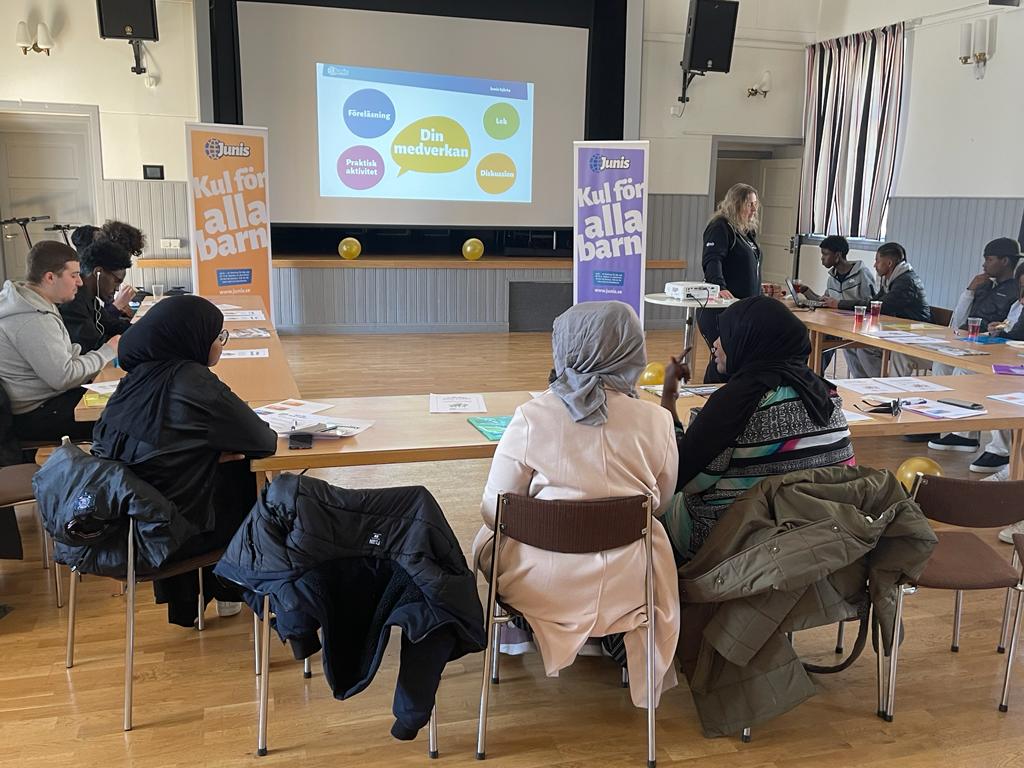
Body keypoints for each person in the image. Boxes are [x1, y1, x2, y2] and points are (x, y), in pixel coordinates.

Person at [471, 301, 680, 709]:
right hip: (630, 584)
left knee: (488, 537)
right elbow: (661, 503)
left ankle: (521, 629)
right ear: (632, 351)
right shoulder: (656, 421)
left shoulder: (532, 417)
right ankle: (609, 637)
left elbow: (495, 510)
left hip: (540, 584)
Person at [91, 295, 278, 626]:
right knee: (249, 480)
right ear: (194, 339)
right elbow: (264, 441)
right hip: (173, 535)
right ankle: (235, 590)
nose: (220, 344)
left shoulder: (134, 380)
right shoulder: (194, 382)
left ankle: (189, 604)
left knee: (219, 470)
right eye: (218, 336)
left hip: (127, 527)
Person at [659, 295, 855, 561]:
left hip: (741, 547)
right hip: (819, 539)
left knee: (656, 502)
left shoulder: (738, 402)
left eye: (727, 334)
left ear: (749, 340)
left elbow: (682, 476)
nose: (716, 343)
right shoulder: (824, 394)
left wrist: (668, 400)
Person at [0, 241, 118, 443]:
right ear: (50, 278)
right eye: (73, 275)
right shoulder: (33, 319)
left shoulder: (35, 303)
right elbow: (64, 377)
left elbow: (64, 357)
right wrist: (108, 351)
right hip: (38, 413)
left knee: (123, 401)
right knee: (123, 417)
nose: (80, 282)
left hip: (48, 401)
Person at [926, 238, 1023, 454]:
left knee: (963, 371)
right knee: (941, 363)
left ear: (1005, 261)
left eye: (989, 259)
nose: (984, 264)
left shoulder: (1015, 291)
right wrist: (969, 291)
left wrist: (996, 331)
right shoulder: (984, 285)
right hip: (971, 343)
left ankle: (965, 434)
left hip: (996, 350)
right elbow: (958, 322)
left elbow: (1012, 329)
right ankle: (939, 423)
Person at [699, 183, 763, 383]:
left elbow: (748, 267)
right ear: (736, 204)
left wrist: (760, 287)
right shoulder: (720, 227)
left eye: (755, 204)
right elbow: (712, 259)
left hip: (745, 308)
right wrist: (719, 286)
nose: (754, 209)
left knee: (739, 359)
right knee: (722, 358)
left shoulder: (746, 232)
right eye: (749, 204)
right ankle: (711, 396)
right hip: (721, 309)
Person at [840, 242, 931, 378]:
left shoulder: (906, 282)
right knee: (851, 344)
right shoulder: (892, 279)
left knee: (865, 348)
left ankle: (879, 384)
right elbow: (875, 302)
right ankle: (862, 383)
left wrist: (840, 304)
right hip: (898, 330)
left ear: (889, 263)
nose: (874, 265)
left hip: (915, 333)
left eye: (877, 261)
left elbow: (881, 306)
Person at [795, 235, 877, 371]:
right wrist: (807, 292)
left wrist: (840, 303)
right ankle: (814, 374)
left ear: (838, 255)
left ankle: (814, 373)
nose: (822, 258)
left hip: (857, 326)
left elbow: (870, 303)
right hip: (837, 324)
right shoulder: (832, 278)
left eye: (825, 254)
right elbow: (825, 302)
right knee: (816, 341)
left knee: (860, 368)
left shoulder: (862, 274)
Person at [58, 239, 135, 352]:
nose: (117, 288)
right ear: (98, 272)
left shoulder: (90, 298)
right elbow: (94, 345)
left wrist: (145, 328)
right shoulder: (73, 301)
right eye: (116, 281)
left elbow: (112, 325)